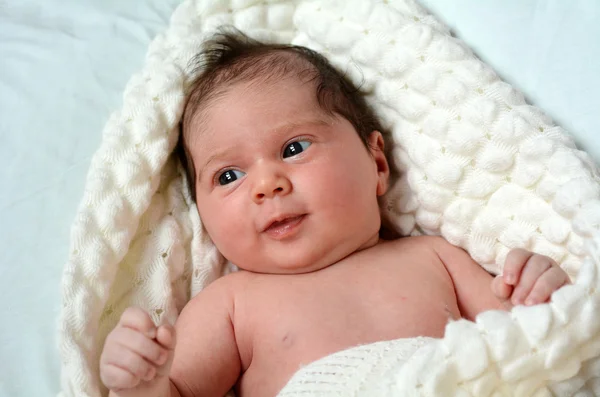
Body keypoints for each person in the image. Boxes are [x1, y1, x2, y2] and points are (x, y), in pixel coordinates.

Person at [99, 30, 570, 397]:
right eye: (228, 177)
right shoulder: (231, 303)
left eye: (293, 147)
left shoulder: (433, 257)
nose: (267, 185)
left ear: (377, 164)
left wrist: (536, 290)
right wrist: (143, 382)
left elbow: (518, 343)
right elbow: (180, 391)